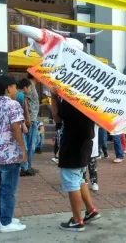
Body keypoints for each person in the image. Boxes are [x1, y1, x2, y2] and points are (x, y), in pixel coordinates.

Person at [51, 88, 101, 232]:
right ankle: (91, 210)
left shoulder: (73, 99)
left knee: (72, 181)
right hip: (85, 144)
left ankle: (77, 220)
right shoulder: (88, 98)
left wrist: (54, 98)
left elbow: (57, 117)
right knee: (79, 178)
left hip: (74, 145)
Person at [0, 76, 27, 232]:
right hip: (10, 151)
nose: (16, 90)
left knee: (2, 187)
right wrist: (23, 149)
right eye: (14, 87)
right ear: (8, 88)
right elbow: (16, 127)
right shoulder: (14, 104)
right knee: (9, 189)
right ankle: (6, 223)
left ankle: (2, 218)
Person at [17, 79, 34, 176]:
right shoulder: (21, 96)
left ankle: (24, 167)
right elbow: (24, 110)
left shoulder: (17, 95)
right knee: (24, 147)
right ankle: (24, 167)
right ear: (25, 88)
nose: (30, 89)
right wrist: (25, 123)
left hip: (17, 124)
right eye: (30, 87)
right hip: (19, 124)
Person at [24, 74, 40, 174]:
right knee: (31, 143)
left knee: (34, 141)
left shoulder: (32, 85)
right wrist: (28, 117)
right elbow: (25, 101)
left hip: (33, 117)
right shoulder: (30, 85)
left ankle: (26, 165)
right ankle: (26, 166)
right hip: (31, 118)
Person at [83, 124, 99, 192]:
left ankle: (94, 182)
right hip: (83, 146)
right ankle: (83, 181)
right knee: (83, 166)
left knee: (93, 166)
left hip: (93, 147)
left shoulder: (96, 118)